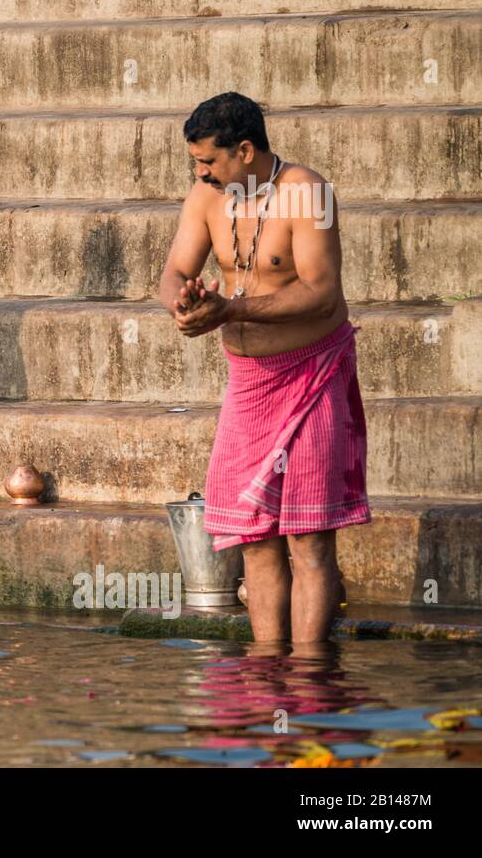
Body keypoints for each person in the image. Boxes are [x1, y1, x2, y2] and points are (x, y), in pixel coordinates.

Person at [159, 92, 369, 644]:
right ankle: (266, 667)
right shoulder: (206, 197)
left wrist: (230, 309)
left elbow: (323, 295)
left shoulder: (306, 192)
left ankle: (308, 672)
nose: (201, 172)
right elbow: (175, 269)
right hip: (248, 385)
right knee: (256, 538)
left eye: (208, 161)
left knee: (308, 538)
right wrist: (183, 302)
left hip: (311, 378)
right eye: (196, 163)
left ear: (245, 150)